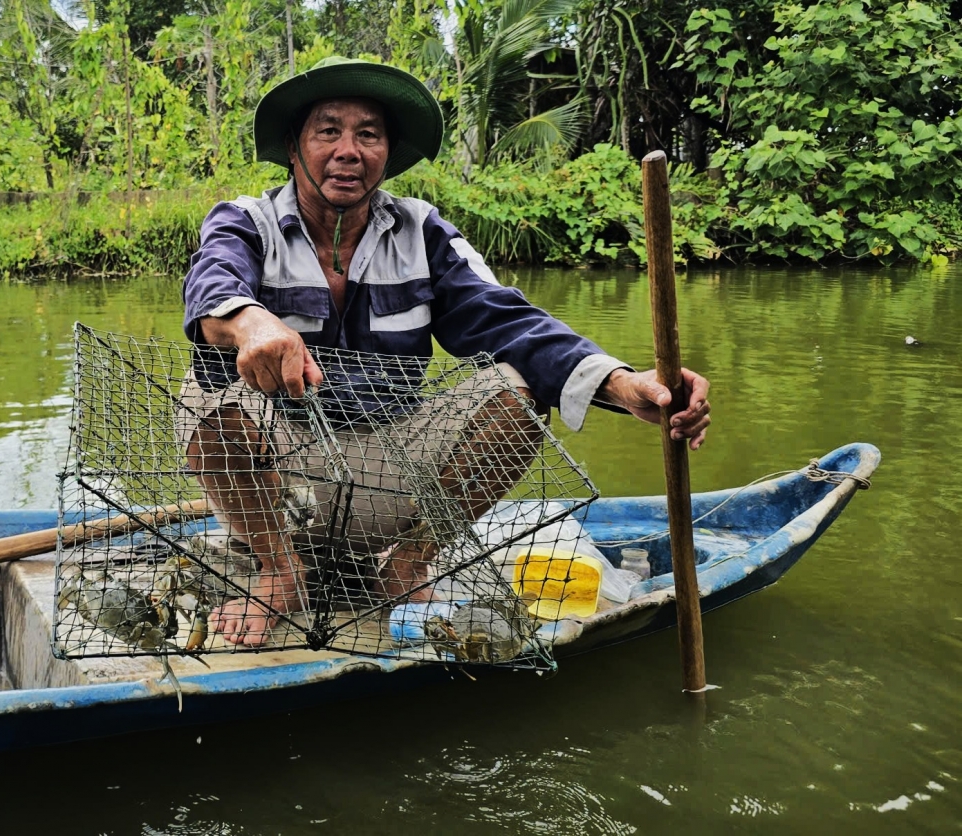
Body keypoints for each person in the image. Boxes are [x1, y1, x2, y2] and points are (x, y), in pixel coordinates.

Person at [181, 56, 711, 647]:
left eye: (369, 134)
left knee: (517, 392)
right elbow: (212, 284)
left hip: (393, 465)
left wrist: (624, 385)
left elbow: (508, 322)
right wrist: (252, 324)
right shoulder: (245, 221)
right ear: (294, 146)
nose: (348, 150)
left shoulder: (423, 232)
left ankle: (408, 560)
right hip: (284, 477)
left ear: (387, 151)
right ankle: (280, 568)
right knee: (203, 396)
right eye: (328, 130)